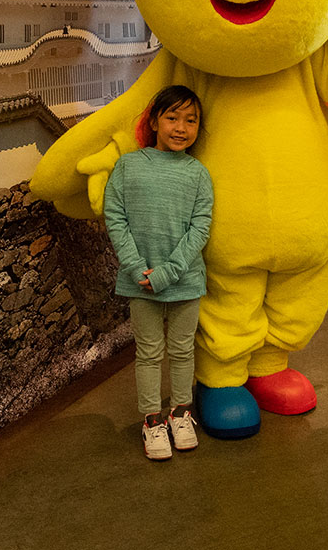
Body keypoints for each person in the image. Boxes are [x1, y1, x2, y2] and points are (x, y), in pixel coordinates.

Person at [102, 85, 213, 461]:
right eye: (172, 117)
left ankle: (181, 414)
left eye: (191, 120)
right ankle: (152, 422)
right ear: (153, 121)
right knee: (149, 354)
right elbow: (115, 218)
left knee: (183, 351)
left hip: (185, 281)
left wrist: (167, 272)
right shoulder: (127, 166)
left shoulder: (198, 174)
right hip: (140, 282)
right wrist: (137, 268)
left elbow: (200, 228)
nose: (181, 127)